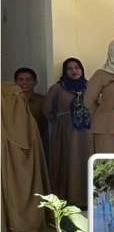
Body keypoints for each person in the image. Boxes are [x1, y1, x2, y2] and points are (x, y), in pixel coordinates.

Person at [2, 80, 55, 232]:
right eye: (11, 99)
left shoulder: (28, 122)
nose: (17, 102)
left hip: (28, 178)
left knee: (29, 200)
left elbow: (37, 158)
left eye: (19, 98)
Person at [44, 59, 94, 208]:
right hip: (66, 134)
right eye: (69, 68)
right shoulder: (57, 88)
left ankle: (89, 199)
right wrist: (61, 124)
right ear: (64, 72)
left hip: (88, 134)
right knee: (69, 163)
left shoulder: (90, 87)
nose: (74, 71)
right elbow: (46, 111)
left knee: (88, 161)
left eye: (77, 67)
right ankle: (70, 200)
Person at [84, 39, 114, 153]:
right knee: (109, 164)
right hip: (107, 127)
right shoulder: (101, 74)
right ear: (112, 52)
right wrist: (105, 113)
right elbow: (88, 102)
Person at [14, 68, 48, 152]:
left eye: (28, 79)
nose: (24, 82)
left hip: (36, 143)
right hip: (14, 144)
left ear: (35, 83)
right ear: (15, 83)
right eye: (20, 79)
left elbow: (45, 123)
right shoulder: (9, 101)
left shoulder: (43, 100)